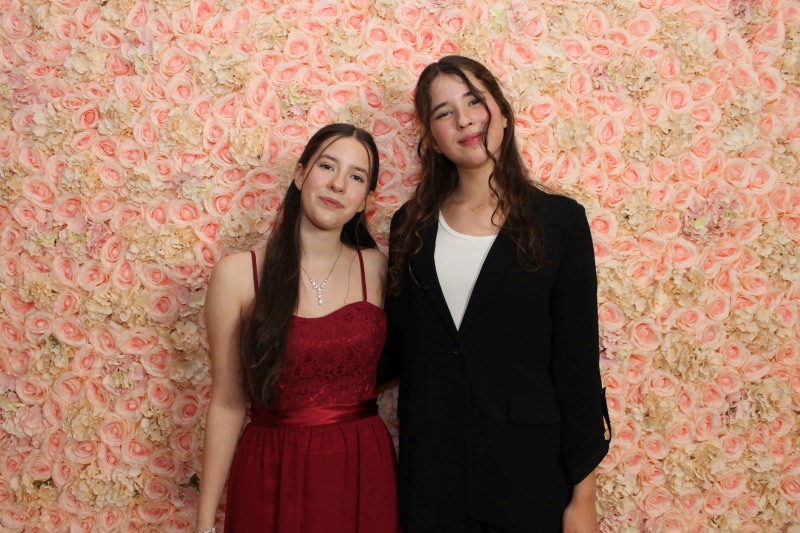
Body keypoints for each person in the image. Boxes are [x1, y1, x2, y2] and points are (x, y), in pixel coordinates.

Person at [378, 56, 611, 533]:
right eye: (444, 112)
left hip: (528, 476)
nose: (464, 120)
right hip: (432, 478)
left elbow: (577, 365)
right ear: (433, 139)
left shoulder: (560, 222)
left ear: (502, 112)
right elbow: (396, 348)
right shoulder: (410, 226)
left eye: (474, 102)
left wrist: (583, 498)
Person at [196, 123, 399, 533]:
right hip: (270, 468)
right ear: (301, 174)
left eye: (356, 177)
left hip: (362, 467)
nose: (338, 184)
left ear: (365, 200)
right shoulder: (238, 274)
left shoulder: (377, 269)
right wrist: (204, 523)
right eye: (327, 166)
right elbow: (228, 401)